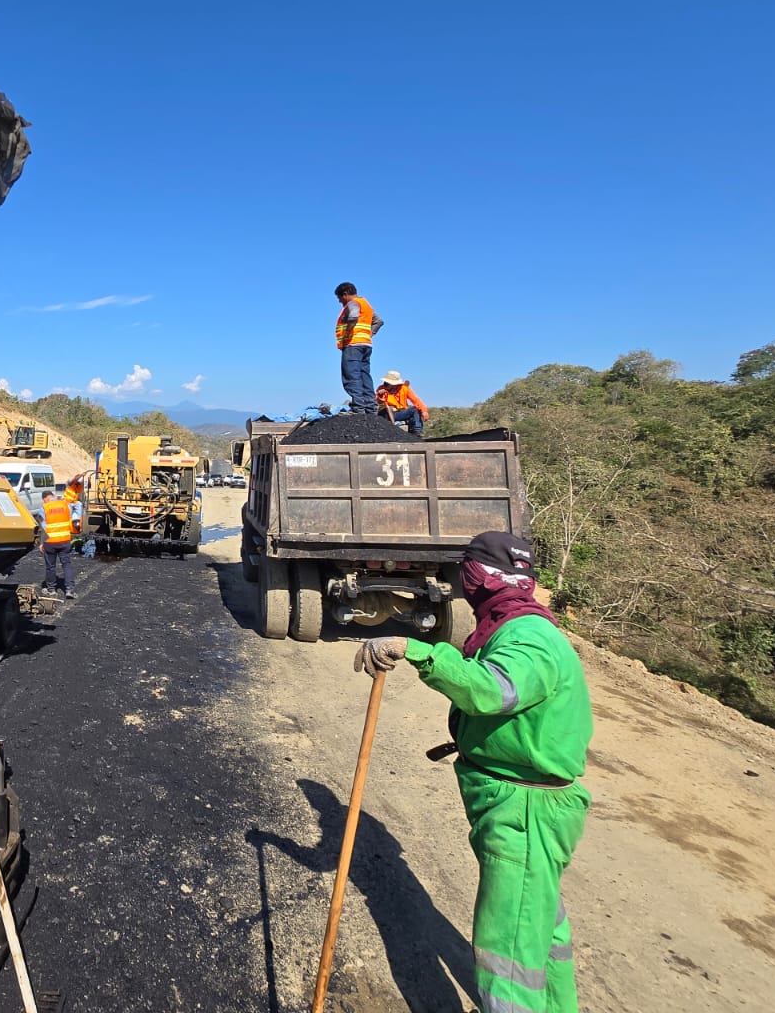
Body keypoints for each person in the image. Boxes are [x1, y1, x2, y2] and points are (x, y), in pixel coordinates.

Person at [352, 532, 592, 1013]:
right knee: (541, 927)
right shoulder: (517, 625)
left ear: (479, 578)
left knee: (509, 954)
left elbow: (491, 691)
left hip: (525, 812)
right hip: (520, 804)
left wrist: (418, 650)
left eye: (468, 576)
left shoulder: (528, 637)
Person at [333, 282, 382, 414]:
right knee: (364, 375)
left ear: (345, 294)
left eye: (340, 298)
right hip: (366, 345)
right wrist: (369, 334)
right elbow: (379, 321)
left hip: (353, 345)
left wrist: (348, 334)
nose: (340, 302)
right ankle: (370, 408)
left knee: (351, 376)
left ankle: (358, 408)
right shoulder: (366, 305)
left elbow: (353, 316)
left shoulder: (353, 303)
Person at [39, 488, 77, 599]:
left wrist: (41, 543)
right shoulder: (65, 505)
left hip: (50, 542)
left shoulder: (44, 508)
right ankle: (69, 590)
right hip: (64, 540)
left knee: (50, 566)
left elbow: (42, 527)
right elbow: (72, 518)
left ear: (45, 499)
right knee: (67, 565)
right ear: (53, 496)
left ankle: (51, 590)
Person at [375, 370, 429, 435]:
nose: (386, 384)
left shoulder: (404, 388)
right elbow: (377, 401)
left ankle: (417, 431)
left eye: (388, 383)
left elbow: (416, 400)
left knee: (415, 409)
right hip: (386, 414)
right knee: (385, 411)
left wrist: (424, 411)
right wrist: (380, 396)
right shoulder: (381, 389)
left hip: (401, 412)